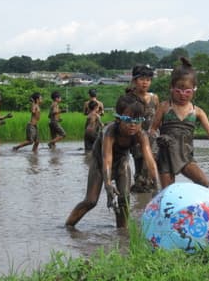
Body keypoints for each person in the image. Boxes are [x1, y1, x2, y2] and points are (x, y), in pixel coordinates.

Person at [65, 95, 160, 228]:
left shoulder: (141, 135)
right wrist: (108, 183)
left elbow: (150, 161)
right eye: (128, 119)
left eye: (137, 120)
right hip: (100, 164)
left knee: (124, 199)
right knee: (91, 201)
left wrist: (158, 186)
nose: (133, 125)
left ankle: (122, 232)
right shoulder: (110, 132)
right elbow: (107, 158)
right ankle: (69, 225)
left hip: (121, 162)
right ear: (118, 118)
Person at [150, 57, 209, 189]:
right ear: (171, 88)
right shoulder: (164, 107)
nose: (183, 95)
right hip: (166, 157)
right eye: (178, 91)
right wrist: (158, 138)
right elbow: (152, 129)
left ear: (194, 90)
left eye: (187, 91)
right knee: (167, 192)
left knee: (204, 183)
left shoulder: (197, 111)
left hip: (186, 156)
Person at [126, 64, 160, 193]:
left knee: (150, 168)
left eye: (148, 79)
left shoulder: (154, 98)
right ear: (135, 81)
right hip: (137, 138)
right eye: (142, 79)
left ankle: (149, 195)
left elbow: (157, 118)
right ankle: (139, 198)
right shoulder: (129, 99)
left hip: (153, 138)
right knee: (139, 170)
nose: (145, 83)